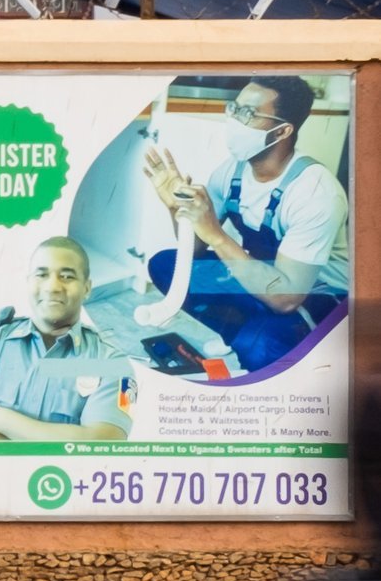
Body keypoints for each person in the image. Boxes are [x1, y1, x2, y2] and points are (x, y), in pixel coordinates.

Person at [141, 76, 348, 374]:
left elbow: (286, 298)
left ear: (283, 131)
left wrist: (215, 231)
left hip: (316, 296)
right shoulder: (230, 172)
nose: (234, 121)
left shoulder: (315, 192)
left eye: (248, 114)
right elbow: (195, 250)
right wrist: (177, 209)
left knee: (260, 346)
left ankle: (272, 340)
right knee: (167, 265)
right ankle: (237, 332)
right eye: (234, 109)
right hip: (260, 277)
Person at [0, 237, 132, 443]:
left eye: (67, 276)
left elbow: (104, 444)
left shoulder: (113, 364)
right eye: (42, 275)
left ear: (86, 288)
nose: (52, 287)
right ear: (28, 282)